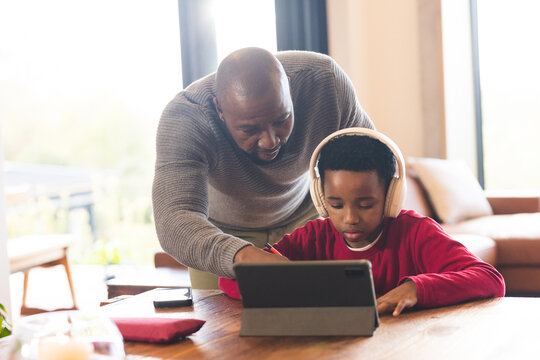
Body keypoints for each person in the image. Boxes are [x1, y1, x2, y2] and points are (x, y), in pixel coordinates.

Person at [219, 128, 505, 316]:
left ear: (391, 196)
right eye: (336, 205)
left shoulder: (416, 233)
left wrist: (416, 289)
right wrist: (291, 283)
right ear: (320, 198)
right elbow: (228, 279)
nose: (350, 218)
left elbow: (490, 279)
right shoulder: (315, 236)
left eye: (366, 205)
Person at [152, 47, 374, 289]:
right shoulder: (186, 118)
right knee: (218, 324)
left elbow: (376, 162)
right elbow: (174, 219)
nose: (270, 141)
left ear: (289, 90)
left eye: (281, 120)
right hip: (222, 234)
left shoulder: (325, 82)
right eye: (249, 129)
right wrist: (243, 256)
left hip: (307, 220)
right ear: (219, 111)